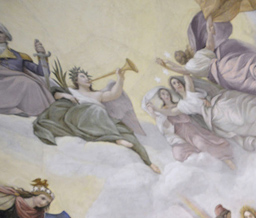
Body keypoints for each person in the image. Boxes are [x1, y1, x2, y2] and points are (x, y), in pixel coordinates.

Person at [33, 67, 161, 173]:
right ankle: (115, 138)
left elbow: (114, 94)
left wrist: (120, 78)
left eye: (87, 76)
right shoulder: (71, 91)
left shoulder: (97, 95)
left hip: (101, 121)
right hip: (80, 118)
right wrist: (65, 95)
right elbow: (55, 94)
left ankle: (148, 162)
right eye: (83, 76)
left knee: (130, 136)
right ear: (76, 80)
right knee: (97, 110)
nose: (87, 78)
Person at [161, 15, 256, 108]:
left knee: (246, 84)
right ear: (188, 52)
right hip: (223, 63)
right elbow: (210, 44)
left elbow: (181, 70)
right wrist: (209, 28)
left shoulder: (190, 67)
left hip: (221, 76)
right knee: (245, 64)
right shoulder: (200, 54)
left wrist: (167, 65)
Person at [169, 74, 256, 151]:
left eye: (177, 82)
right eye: (174, 84)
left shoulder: (190, 91)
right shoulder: (181, 105)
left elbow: (186, 75)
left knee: (239, 114)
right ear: (173, 89)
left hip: (216, 104)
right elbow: (169, 111)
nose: (177, 84)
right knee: (239, 125)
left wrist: (167, 66)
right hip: (211, 117)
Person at [144, 86, 236, 169]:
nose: (166, 95)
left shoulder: (178, 104)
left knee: (203, 144)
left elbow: (173, 112)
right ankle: (214, 169)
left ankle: (228, 162)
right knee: (179, 154)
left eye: (167, 93)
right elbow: (163, 125)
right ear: (160, 97)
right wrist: (152, 112)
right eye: (163, 94)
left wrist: (156, 109)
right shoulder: (162, 112)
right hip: (181, 134)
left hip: (192, 130)